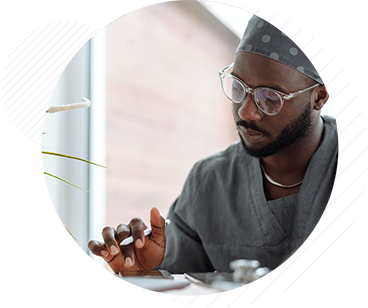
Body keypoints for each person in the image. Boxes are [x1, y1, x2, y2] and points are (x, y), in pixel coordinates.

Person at [88, 0, 339, 295]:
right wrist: (146, 276)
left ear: (319, 97)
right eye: (238, 88)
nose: (247, 112)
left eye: (271, 98)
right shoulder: (210, 182)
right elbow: (182, 288)